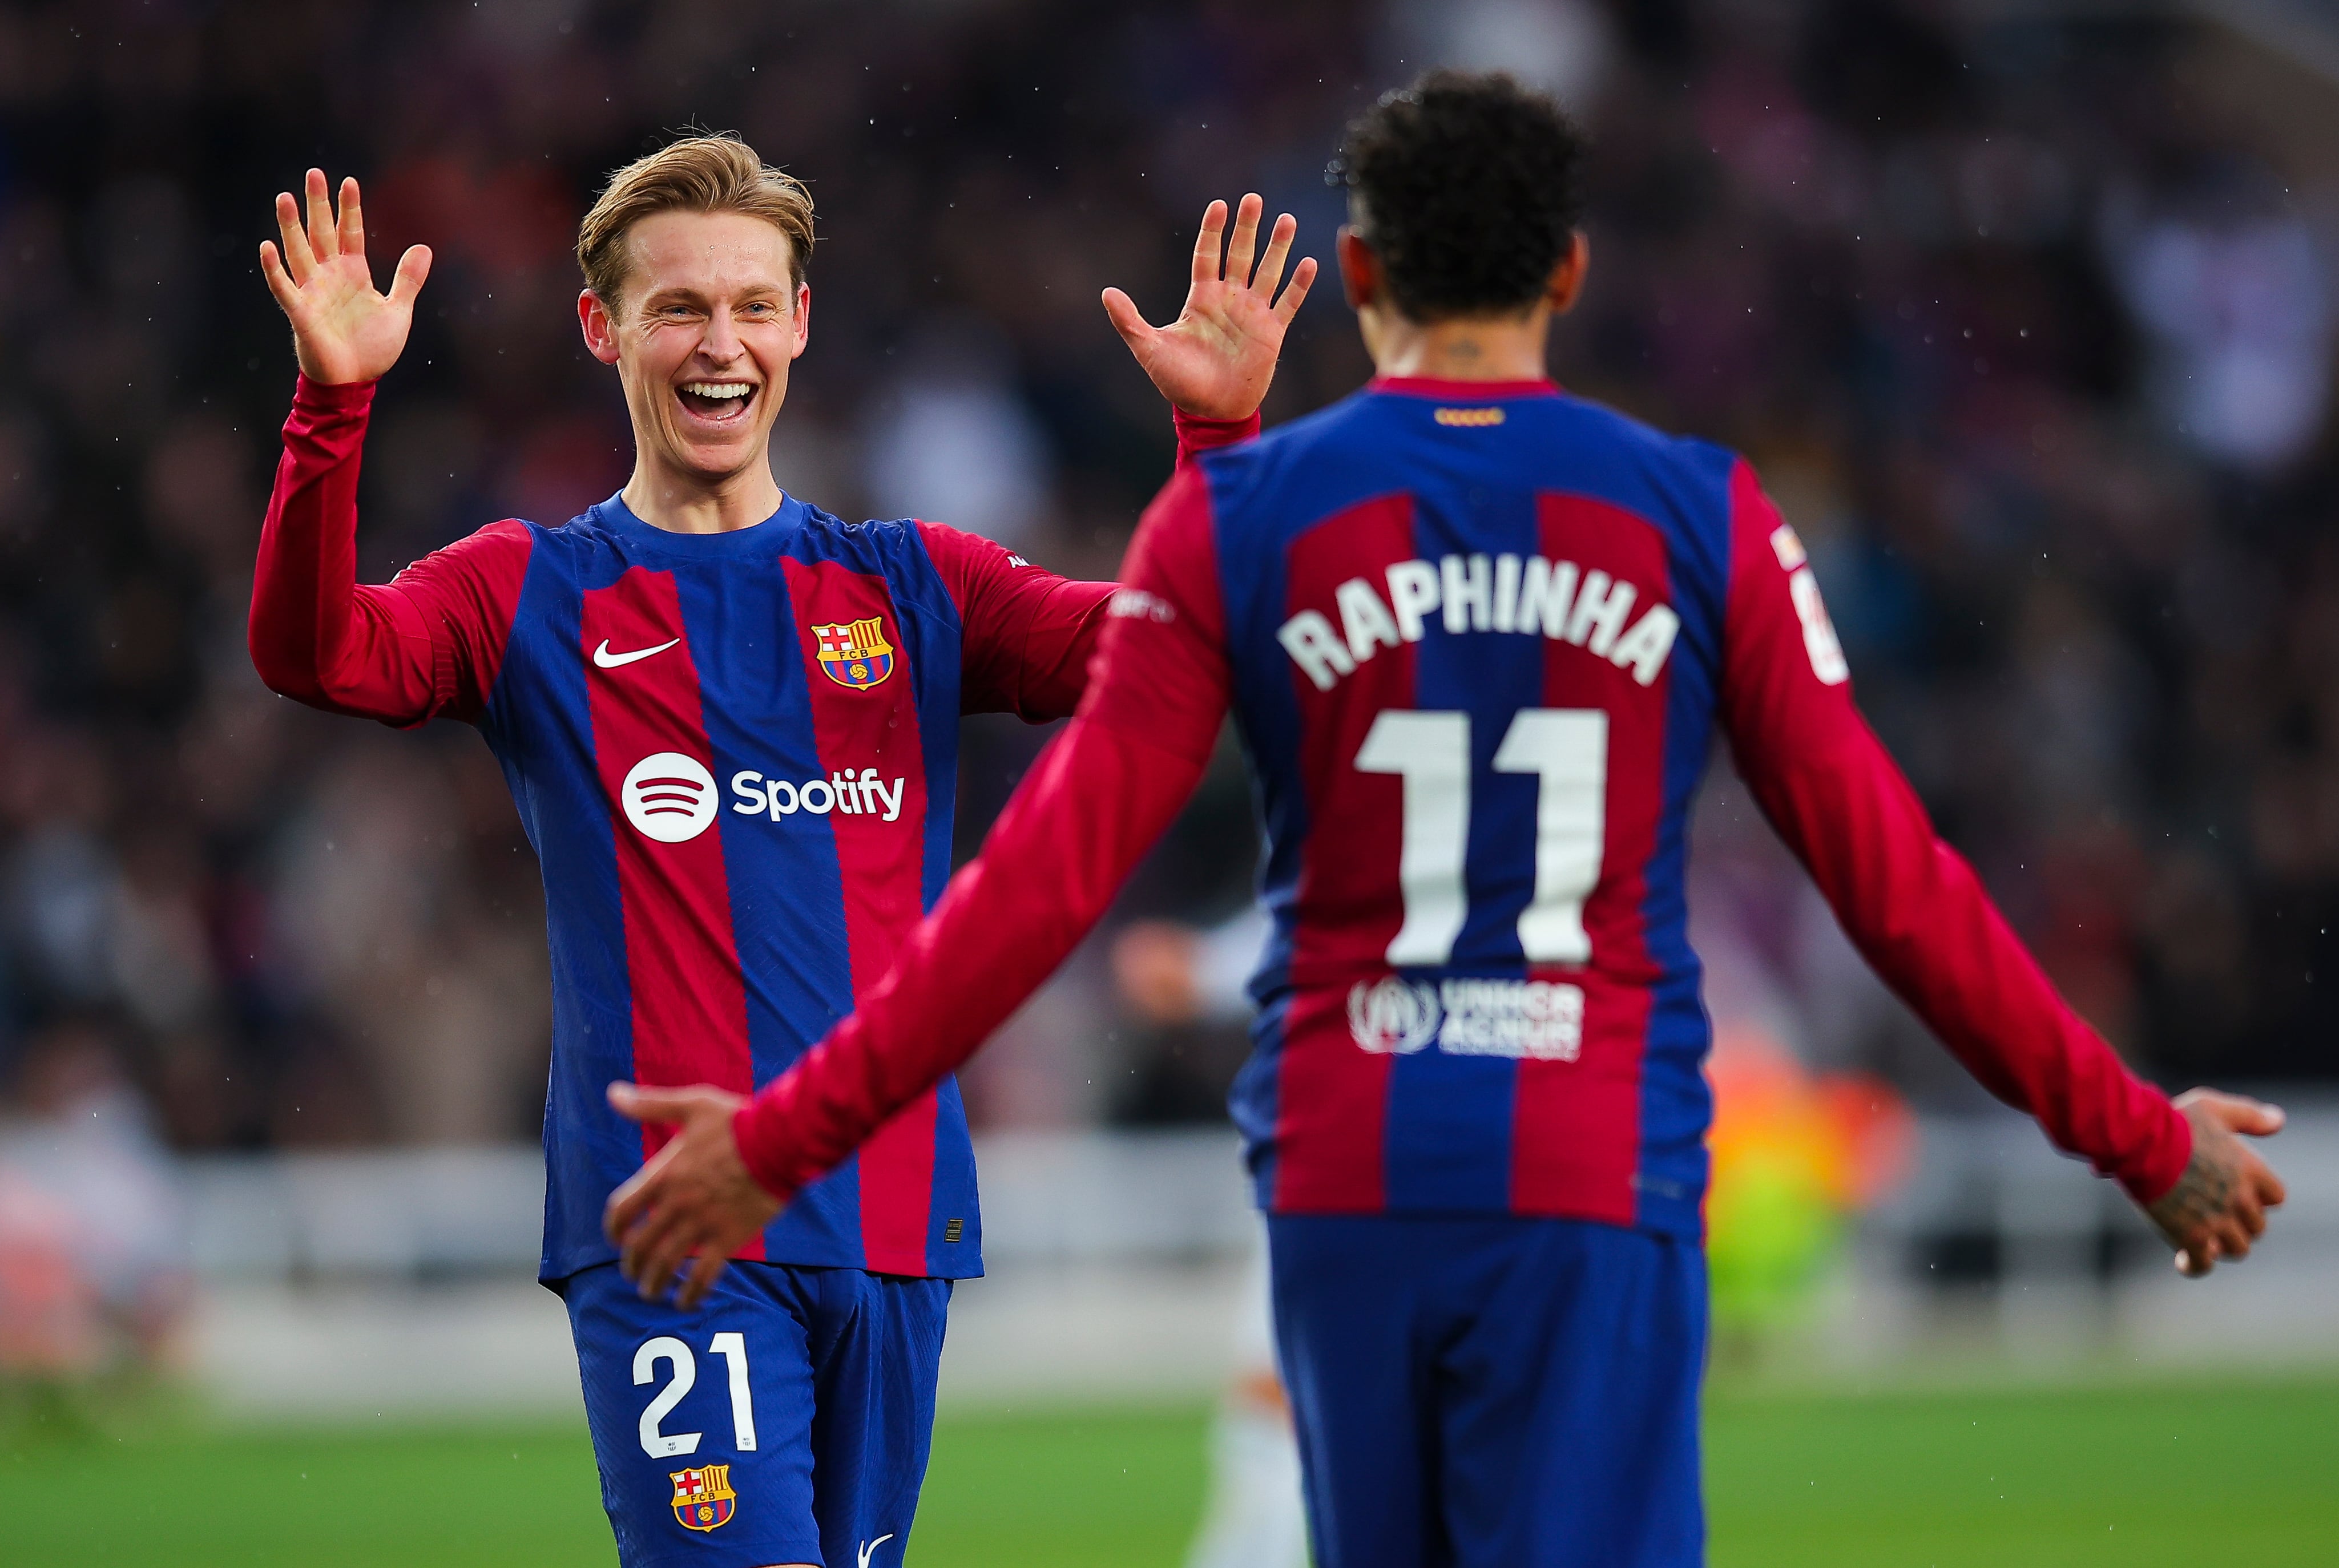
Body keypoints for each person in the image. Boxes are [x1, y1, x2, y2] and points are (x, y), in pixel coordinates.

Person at [603, 76, 2289, 1568]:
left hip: (1351, 1182)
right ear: (1566, 273)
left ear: (1356, 277)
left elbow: (1035, 884)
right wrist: (2138, 1134)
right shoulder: (1697, 511)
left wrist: (778, 1134)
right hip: (1589, 1170)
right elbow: (1896, 883)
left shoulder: (1243, 519)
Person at [248, 135, 1314, 1568]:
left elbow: (1198, 654)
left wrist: (1222, 445)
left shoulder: (915, 585)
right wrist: (334, 403)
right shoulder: (529, 591)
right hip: (673, 1225)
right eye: (678, 306)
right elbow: (317, 655)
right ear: (602, 327)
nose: (720, 342)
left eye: (754, 304)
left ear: (801, 325)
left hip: (893, 1220)